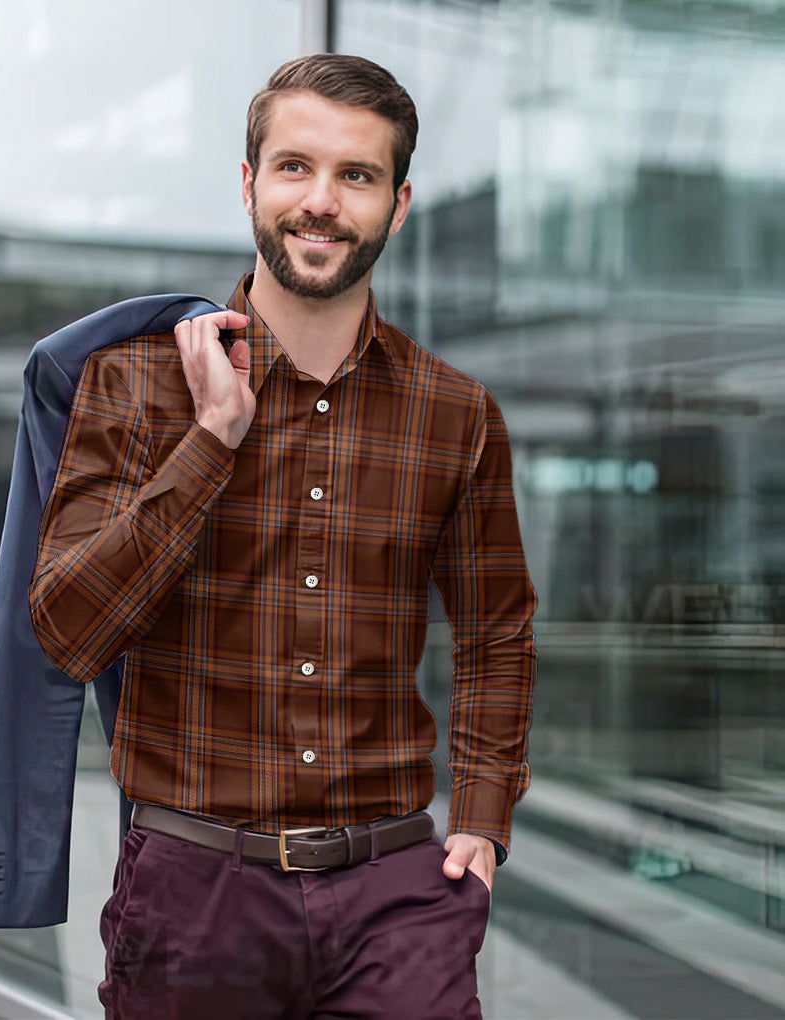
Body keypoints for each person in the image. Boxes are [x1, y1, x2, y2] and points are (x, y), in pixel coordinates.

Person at [29, 53, 536, 1019]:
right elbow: (67, 631)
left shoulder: (457, 413)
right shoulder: (134, 386)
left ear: (400, 202)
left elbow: (498, 632)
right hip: (195, 894)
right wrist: (212, 439)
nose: (322, 202)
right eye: (295, 167)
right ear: (251, 182)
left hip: (398, 896)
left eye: (358, 175)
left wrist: (481, 815)